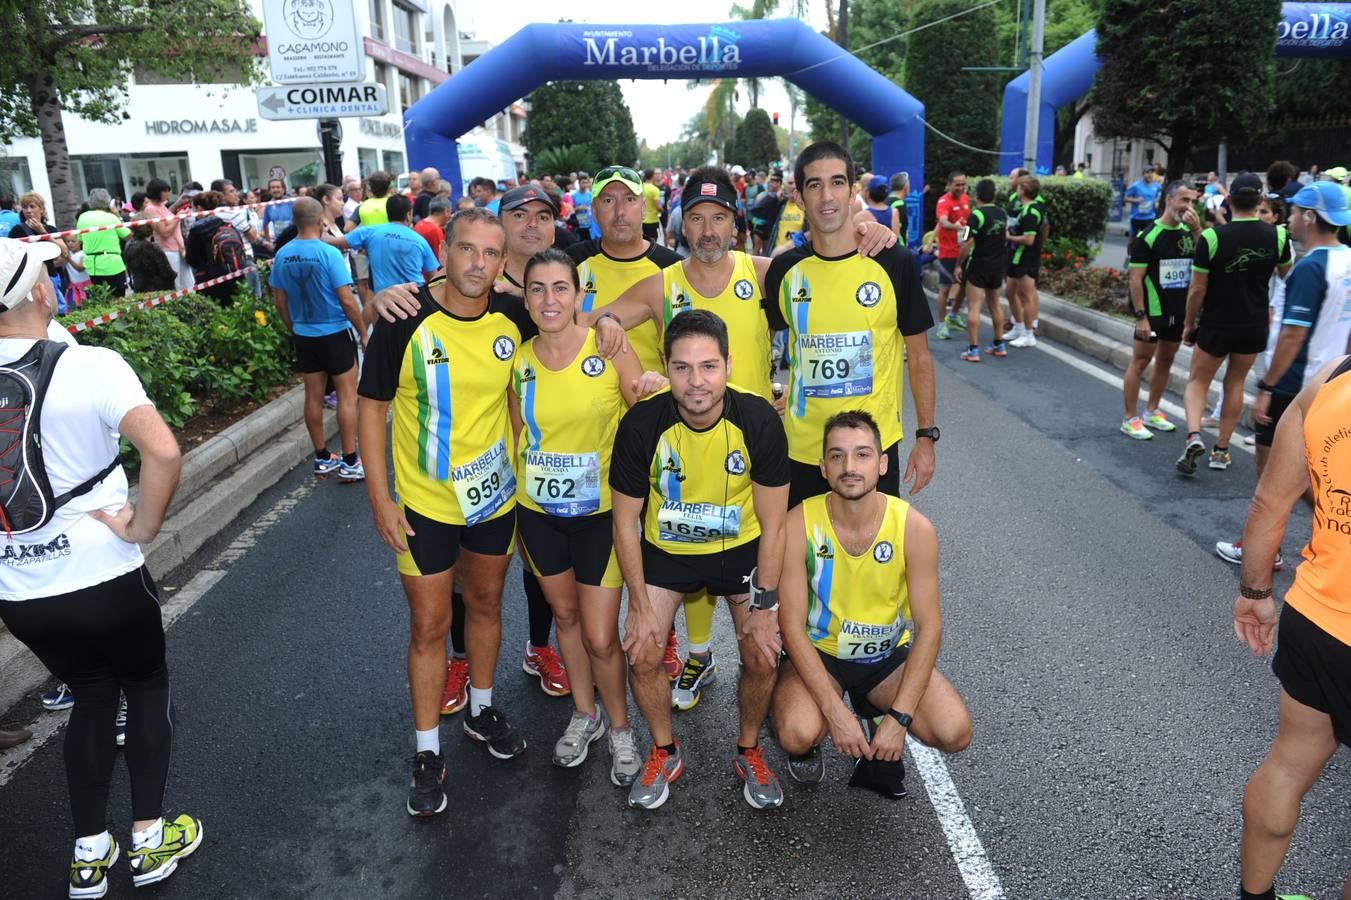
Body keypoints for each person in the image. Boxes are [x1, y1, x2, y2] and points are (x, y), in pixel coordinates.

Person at [585, 166, 896, 709]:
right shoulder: (663, 284)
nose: (708, 230)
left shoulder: (765, 272)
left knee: (774, 586)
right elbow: (584, 316)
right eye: (698, 218)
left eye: (720, 218)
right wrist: (609, 324)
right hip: (685, 451)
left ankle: (805, 685)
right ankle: (702, 656)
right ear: (682, 226)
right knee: (692, 551)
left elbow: (823, 286)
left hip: (757, 456)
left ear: (736, 224)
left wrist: (868, 226)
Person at [0, 237, 202, 897]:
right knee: (144, 688)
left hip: (22, 590)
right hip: (104, 575)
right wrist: (142, 526)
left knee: (89, 697)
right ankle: (149, 841)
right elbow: (164, 452)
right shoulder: (91, 365)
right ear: (38, 292)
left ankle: (88, 854)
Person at [357, 208, 532, 816]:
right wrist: (379, 497)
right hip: (425, 506)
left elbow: (570, 318)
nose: (477, 263)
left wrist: (611, 327)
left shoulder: (513, 315)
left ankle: (481, 710)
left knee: (484, 606)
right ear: (445, 253)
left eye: (490, 254)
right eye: (467, 250)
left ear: (502, 263)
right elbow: (371, 408)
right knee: (430, 626)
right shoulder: (404, 319)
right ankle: (427, 749)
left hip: (493, 499)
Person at [609, 308, 790, 810]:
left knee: (761, 651)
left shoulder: (757, 421)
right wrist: (641, 604)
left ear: (729, 365)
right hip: (668, 552)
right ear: (665, 367)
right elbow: (625, 521)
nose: (696, 382)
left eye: (708, 366)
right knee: (643, 647)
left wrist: (765, 606)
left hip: (740, 554)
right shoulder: (642, 424)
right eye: (683, 368)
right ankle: (664, 749)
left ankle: (749, 748)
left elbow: (775, 524)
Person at [508, 248, 658, 785]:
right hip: (539, 515)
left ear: (578, 296)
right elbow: (515, 429)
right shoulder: (518, 360)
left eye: (560, 288)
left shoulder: (607, 347)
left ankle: (620, 728)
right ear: (525, 299)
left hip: (599, 516)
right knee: (565, 620)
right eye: (537, 289)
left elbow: (643, 411)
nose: (549, 299)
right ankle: (584, 713)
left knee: (599, 635)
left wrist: (655, 388)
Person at [770, 410, 972, 787]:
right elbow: (791, 626)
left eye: (862, 455)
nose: (849, 466)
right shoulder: (798, 523)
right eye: (837, 456)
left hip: (885, 657)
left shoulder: (915, 529)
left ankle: (876, 708)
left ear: (882, 464)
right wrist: (835, 714)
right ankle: (821, 720)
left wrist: (900, 719)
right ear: (823, 467)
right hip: (821, 655)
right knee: (797, 734)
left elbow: (930, 629)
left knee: (955, 731)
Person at [1231, 353, 1351, 900]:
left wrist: (1256, 593)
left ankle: (1255, 898)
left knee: (1288, 762)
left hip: (1320, 618)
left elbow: (1270, 500)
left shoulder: (1332, 376)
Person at [764, 141, 938, 509]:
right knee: (808, 562)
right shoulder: (783, 270)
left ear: (852, 190)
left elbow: (920, 357)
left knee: (872, 561)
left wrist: (926, 437)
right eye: (814, 185)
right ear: (798, 196)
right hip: (804, 451)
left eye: (837, 182)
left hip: (870, 452)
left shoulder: (893, 261)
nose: (826, 196)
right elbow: (760, 341)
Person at [1215, 181, 1351, 568]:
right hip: (1332, 381)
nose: (1288, 218)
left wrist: (1268, 386)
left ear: (1310, 217)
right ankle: (1335, 536)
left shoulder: (1310, 267)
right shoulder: (1349, 259)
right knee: (1311, 472)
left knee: (1272, 473)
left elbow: (1292, 334)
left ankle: (1262, 550)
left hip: (1295, 385)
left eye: (1293, 212)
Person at [1177, 172, 1294, 476]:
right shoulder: (1278, 236)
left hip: (1217, 323)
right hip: (1253, 325)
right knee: (1236, 384)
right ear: (1260, 201)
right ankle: (1222, 450)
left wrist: (1189, 324)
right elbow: (1286, 277)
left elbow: (1197, 289)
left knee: (1198, 381)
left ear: (1228, 200)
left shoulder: (1212, 237)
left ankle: (1193, 436)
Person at [269, 197, 366, 483]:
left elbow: (279, 302)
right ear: (320, 219)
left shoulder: (283, 254)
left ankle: (322, 457)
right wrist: (362, 331)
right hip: (335, 333)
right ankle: (350, 461)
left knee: (312, 397)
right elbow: (347, 301)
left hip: (305, 335)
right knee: (348, 397)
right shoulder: (329, 253)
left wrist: (294, 327)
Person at [1119, 180, 1203, 439]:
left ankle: (1152, 410)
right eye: (1184, 200)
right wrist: (1141, 317)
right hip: (1153, 315)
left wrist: (1198, 228)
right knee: (1141, 361)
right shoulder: (1148, 236)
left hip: (1177, 314)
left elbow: (1207, 256)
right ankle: (1130, 417)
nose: (1188, 207)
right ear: (1169, 200)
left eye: (1192, 201)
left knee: (1166, 360)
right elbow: (1135, 279)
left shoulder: (1190, 233)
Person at [329, 194, 439, 300]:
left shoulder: (370, 232)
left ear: (388, 213)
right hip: (415, 299)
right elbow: (434, 277)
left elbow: (336, 242)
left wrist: (321, 227)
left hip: (385, 302)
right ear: (408, 215)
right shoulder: (419, 240)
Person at [951, 179, 1009, 362]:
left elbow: (966, 241)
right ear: (994, 194)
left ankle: (973, 350)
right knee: (995, 304)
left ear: (976, 196)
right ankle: (999, 344)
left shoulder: (976, 215)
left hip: (978, 265)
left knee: (974, 306)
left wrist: (958, 264)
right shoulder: (1002, 213)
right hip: (997, 266)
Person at [1005, 175, 1047, 348]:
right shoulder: (1027, 208)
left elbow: (1029, 239)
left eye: (1019, 186)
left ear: (1022, 189)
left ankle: (1029, 334)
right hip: (1017, 257)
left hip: (1026, 258)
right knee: (1010, 292)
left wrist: (1009, 237)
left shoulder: (1032, 211)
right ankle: (1019, 327)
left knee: (1026, 295)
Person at [209, 179, 263, 298]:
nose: (236, 194)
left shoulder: (210, 211)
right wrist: (249, 222)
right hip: (243, 259)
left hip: (223, 263)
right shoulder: (232, 213)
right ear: (221, 195)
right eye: (231, 191)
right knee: (254, 298)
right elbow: (253, 237)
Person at [8, 192, 69, 297]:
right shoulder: (17, 231)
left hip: (52, 277)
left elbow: (65, 252)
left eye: (32, 206)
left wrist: (44, 233)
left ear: (41, 209)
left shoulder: (50, 229)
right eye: (25, 207)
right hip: (29, 282)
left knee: (59, 311)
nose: (28, 210)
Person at [933, 172, 970, 340]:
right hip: (948, 252)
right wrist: (955, 227)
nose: (961, 188)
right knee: (945, 289)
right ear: (949, 185)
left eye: (963, 184)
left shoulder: (966, 199)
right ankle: (942, 324)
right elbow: (943, 221)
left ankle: (953, 316)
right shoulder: (944, 201)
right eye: (957, 185)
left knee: (963, 286)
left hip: (964, 251)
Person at [75, 189, 130, 297]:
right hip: (113, 264)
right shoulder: (112, 217)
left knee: (102, 301)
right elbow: (127, 236)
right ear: (107, 202)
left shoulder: (82, 218)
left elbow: (80, 239)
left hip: (92, 266)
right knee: (118, 300)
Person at [140, 179, 190, 289]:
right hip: (168, 250)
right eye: (165, 191)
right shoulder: (151, 209)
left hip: (179, 248)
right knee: (175, 285)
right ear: (157, 192)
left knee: (189, 283)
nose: (168, 193)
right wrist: (178, 217)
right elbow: (164, 232)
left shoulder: (161, 206)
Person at [122, 217, 178, 294]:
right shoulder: (151, 247)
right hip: (158, 290)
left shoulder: (128, 245)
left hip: (139, 288)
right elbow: (166, 272)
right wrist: (174, 275)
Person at [1124, 167, 1162, 260]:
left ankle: (1146, 259)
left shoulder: (1156, 186)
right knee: (1132, 239)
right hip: (1136, 217)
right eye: (1147, 173)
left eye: (1151, 173)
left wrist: (1157, 202)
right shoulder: (1136, 186)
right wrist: (1136, 200)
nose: (1149, 175)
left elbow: (1159, 196)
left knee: (1149, 239)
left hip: (1149, 217)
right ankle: (1129, 257)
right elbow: (1125, 198)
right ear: (1143, 174)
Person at [641, 168, 663, 243]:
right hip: (653, 219)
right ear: (653, 176)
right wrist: (663, 210)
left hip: (643, 219)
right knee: (653, 243)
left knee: (645, 241)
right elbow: (657, 207)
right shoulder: (655, 189)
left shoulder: (641, 187)